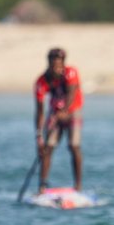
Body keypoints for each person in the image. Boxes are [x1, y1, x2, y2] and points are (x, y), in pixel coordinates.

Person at [34, 47, 83, 192]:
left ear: (63, 62)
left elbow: (71, 93)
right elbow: (40, 110)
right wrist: (38, 135)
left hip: (73, 110)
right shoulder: (41, 81)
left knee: (74, 146)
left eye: (59, 60)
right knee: (47, 147)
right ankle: (42, 186)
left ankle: (78, 186)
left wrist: (65, 111)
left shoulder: (70, 72)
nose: (56, 64)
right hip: (55, 112)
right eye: (53, 60)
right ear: (48, 62)